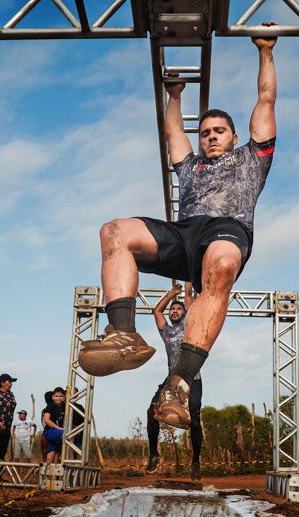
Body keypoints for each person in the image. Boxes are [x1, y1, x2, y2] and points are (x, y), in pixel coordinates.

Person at [77, 25, 279, 431]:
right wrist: (174, 96)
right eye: (205, 133)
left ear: (235, 136)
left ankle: (180, 383)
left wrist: (265, 51)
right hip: (184, 232)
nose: (210, 137)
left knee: (221, 264)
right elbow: (173, 131)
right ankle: (123, 334)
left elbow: (266, 98)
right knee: (114, 231)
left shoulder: (253, 157)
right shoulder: (190, 166)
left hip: (227, 230)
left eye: (219, 131)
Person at [147, 283, 204, 481]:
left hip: (192, 378)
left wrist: (187, 285)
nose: (175, 311)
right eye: (173, 308)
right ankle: (153, 454)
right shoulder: (167, 332)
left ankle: (196, 461)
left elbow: (189, 300)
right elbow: (156, 311)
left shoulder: (189, 323)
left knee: (194, 421)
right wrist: (171, 294)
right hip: (172, 378)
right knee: (151, 412)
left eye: (179, 308)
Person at [42, 387, 67, 463]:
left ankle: (48, 469)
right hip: (50, 431)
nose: (58, 398)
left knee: (53, 449)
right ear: (53, 397)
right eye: (56, 396)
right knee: (67, 434)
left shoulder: (64, 407)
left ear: (64, 397)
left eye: (60, 396)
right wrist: (59, 428)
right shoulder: (50, 406)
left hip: (57, 433)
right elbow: (46, 420)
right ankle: (69, 460)